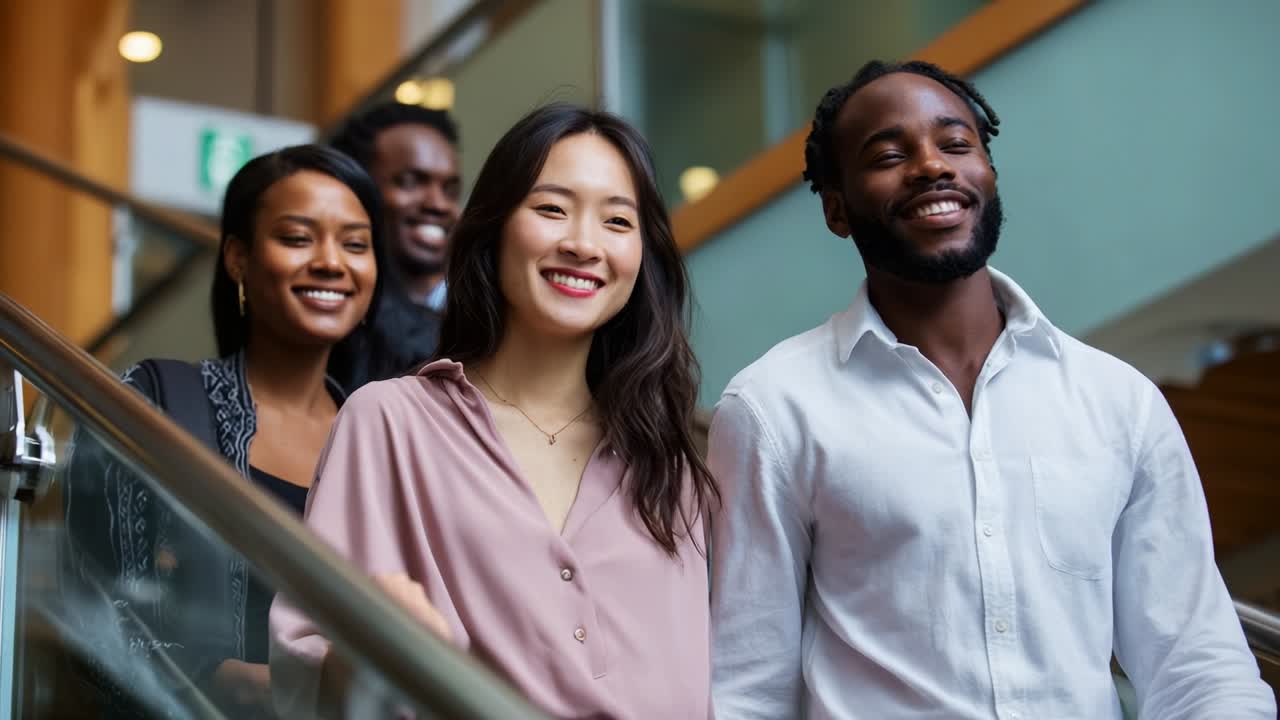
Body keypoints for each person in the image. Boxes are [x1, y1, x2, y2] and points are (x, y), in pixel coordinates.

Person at [707, 60, 1276, 719]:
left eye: (956, 144)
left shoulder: (1119, 401)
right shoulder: (774, 409)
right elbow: (747, 689)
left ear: (989, 172)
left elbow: (1196, 664)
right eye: (889, 156)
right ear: (837, 208)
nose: (931, 166)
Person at [271, 103, 718, 719]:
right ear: (495, 226)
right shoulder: (390, 422)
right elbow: (307, 678)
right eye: (552, 209)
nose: (583, 244)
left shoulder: (668, 464)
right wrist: (374, 644)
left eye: (617, 221)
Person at [63, 144, 401, 718]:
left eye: (354, 244)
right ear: (238, 258)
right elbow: (94, 604)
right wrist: (229, 681)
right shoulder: (155, 404)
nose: (330, 262)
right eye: (297, 238)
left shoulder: (386, 438)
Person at [332, 102, 461, 313]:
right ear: (353, 190)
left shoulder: (487, 314)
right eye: (410, 182)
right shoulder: (331, 310)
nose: (439, 204)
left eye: (450, 190)